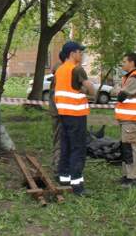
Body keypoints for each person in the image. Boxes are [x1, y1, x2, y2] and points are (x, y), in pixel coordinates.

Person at [54, 41, 95, 196]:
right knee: (78, 148)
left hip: (63, 114)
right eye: (80, 51)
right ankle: (77, 185)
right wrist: (90, 89)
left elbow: (68, 88)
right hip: (76, 115)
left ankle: (63, 178)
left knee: (66, 146)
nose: (81, 54)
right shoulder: (77, 69)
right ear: (72, 53)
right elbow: (90, 90)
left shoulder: (60, 70)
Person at [113, 52, 136, 188]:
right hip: (126, 118)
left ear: (132, 62)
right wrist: (118, 90)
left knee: (130, 147)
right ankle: (127, 176)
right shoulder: (128, 78)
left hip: (131, 118)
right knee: (126, 146)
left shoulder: (135, 78)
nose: (122, 64)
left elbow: (121, 95)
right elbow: (121, 93)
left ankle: (132, 178)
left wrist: (118, 90)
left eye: (124, 61)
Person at [48, 51, 67, 169]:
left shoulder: (55, 81)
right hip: (61, 113)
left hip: (56, 112)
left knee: (57, 137)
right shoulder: (61, 76)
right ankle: (58, 164)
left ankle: (56, 161)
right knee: (60, 138)